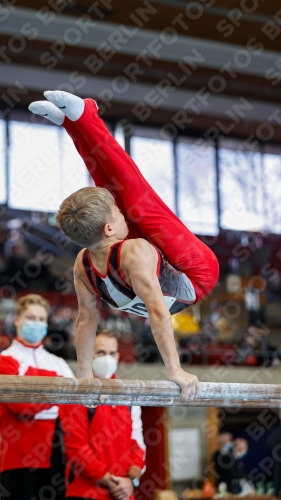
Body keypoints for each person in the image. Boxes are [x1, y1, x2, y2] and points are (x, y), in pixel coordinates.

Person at [29, 91, 219, 398]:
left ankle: (73, 123)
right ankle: (84, 117)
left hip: (152, 267)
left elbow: (88, 318)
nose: (121, 213)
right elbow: (145, 313)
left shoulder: (83, 261)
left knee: (114, 190)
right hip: (197, 275)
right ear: (109, 228)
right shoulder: (121, 256)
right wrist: (174, 369)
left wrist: (85, 376)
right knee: (136, 198)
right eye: (117, 215)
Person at [0, 293, 75, 500]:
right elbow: (20, 406)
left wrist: (40, 398)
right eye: (31, 318)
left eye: (41, 319)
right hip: (19, 458)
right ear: (17, 319)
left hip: (58, 457)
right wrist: (57, 393)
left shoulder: (59, 363)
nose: (36, 323)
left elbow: (74, 406)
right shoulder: (5, 361)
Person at [60, 329, 146, 500]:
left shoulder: (128, 396)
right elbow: (77, 448)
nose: (107, 358)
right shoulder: (75, 393)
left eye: (112, 353)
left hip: (124, 492)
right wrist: (110, 481)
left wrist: (131, 480)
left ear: (118, 357)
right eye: (101, 352)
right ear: (87, 354)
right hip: (87, 493)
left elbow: (137, 444)